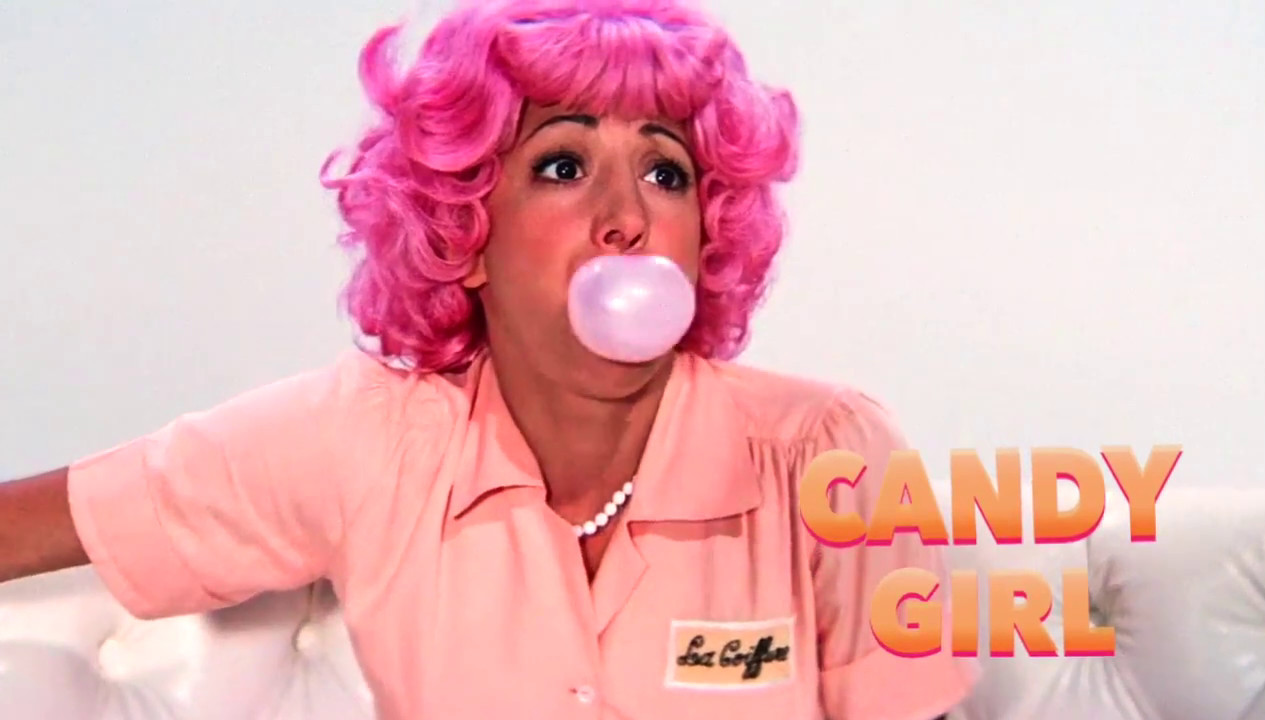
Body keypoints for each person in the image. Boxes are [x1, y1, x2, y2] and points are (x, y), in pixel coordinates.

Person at [0, 0, 976, 717]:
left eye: (665, 172)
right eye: (563, 165)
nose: (626, 218)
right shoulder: (367, 442)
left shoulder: (825, 453)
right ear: (465, 231)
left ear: (705, 232)